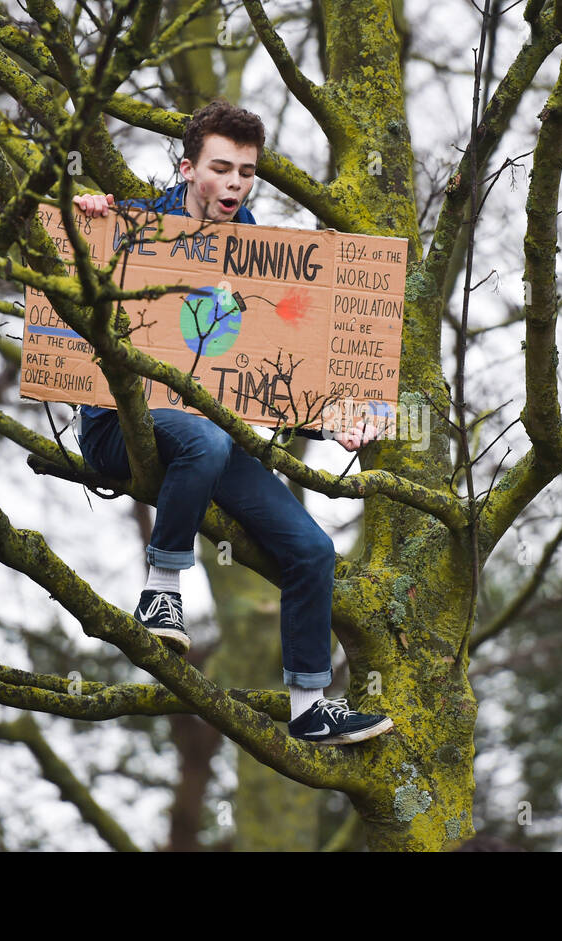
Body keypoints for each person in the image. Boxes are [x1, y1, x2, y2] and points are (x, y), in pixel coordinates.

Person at [70, 100, 392, 746]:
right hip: (120, 430)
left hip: (209, 436)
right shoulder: (136, 227)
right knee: (207, 438)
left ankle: (309, 703)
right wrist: (89, 223)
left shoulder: (254, 251)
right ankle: (162, 590)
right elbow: (60, 269)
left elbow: (267, 370)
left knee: (313, 549)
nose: (237, 183)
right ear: (189, 169)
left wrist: (334, 421)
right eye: (223, 168)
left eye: (247, 171)